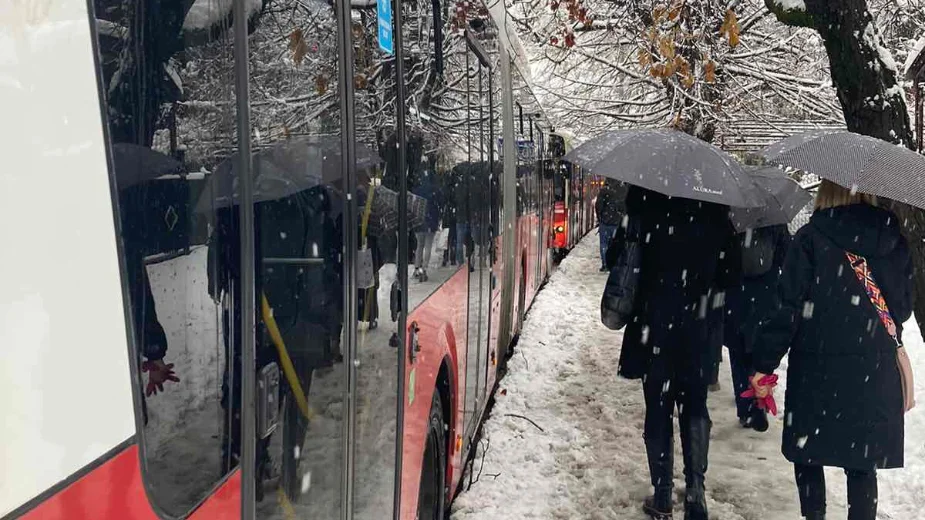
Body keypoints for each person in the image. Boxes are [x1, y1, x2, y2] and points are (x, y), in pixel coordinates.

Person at [749, 180, 912, 520]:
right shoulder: (893, 240)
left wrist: (763, 362)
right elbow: (904, 308)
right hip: (873, 370)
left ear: (826, 192)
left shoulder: (810, 239)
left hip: (817, 369)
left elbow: (788, 308)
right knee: (862, 465)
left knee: (809, 456)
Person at [613, 186, 741, 520]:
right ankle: (696, 494)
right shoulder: (715, 210)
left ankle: (663, 494)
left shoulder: (645, 204)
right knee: (695, 407)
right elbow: (732, 273)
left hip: (653, 325)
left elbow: (618, 259)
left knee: (657, 407)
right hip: (698, 329)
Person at [724, 223, 791, 431]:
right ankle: (759, 401)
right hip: (766, 293)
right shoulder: (774, 220)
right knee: (759, 350)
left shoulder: (731, 216)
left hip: (735, 292)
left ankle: (745, 408)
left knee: (738, 353)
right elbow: (785, 256)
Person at [412, 163, 441, 282]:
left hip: (419, 222)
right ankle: (424, 268)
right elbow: (438, 205)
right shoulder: (434, 190)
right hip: (431, 222)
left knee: (419, 245)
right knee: (428, 246)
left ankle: (417, 267)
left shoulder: (417, 190)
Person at [595, 179, 626, 271]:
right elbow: (624, 207)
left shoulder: (604, 190)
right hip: (617, 222)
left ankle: (605, 264)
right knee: (615, 243)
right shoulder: (623, 190)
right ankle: (613, 264)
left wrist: (600, 217)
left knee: (603, 244)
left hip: (605, 222)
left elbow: (598, 206)